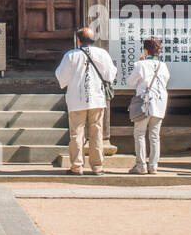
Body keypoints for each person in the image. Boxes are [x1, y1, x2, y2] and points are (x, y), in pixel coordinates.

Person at [54, 26, 118, 175]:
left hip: (77, 99)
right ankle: (97, 166)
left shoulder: (71, 55)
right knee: (96, 132)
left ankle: (77, 166)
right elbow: (110, 74)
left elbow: (61, 76)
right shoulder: (102, 54)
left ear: (78, 40)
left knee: (77, 133)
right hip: (97, 99)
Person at [127, 37, 170, 175]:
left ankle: (141, 165)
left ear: (145, 50)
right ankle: (153, 166)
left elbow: (130, 82)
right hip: (160, 102)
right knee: (154, 136)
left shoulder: (140, 65)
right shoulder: (163, 66)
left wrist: (140, 63)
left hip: (144, 103)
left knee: (139, 134)